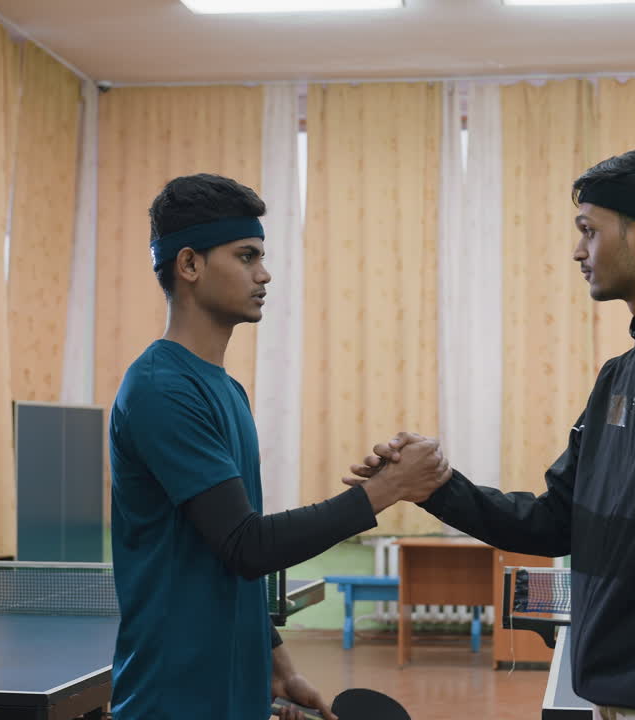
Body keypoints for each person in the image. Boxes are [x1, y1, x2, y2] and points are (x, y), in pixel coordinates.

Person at [349, 149, 635, 720]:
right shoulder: (620, 375)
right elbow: (556, 521)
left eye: (589, 231)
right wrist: (435, 487)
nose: (577, 250)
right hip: (610, 696)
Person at [107, 173, 451, 720]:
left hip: (236, 690)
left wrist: (279, 665)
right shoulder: (159, 389)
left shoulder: (225, 388)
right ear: (189, 265)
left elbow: (222, 557)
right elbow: (248, 546)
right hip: (175, 698)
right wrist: (387, 490)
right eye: (246, 256)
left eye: (261, 256)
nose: (264, 274)